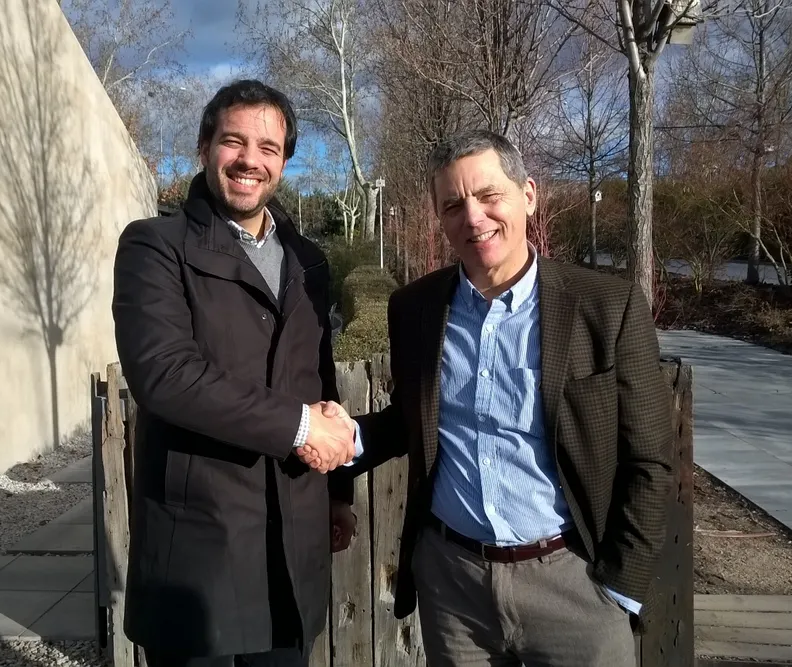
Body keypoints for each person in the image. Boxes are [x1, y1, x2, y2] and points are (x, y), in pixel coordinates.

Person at [312, 130, 674, 666]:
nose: (473, 218)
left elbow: (650, 460)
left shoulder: (606, 306)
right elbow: (410, 422)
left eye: (489, 196)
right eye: (453, 205)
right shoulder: (414, 308)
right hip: (454, 589)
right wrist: (338, 439)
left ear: (528, 195)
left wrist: (621, 587)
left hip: (574, 583)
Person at [111, 79, 358, 667]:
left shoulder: (308, 260)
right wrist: (301, 427)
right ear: (204, 147)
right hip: (202, 555)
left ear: (284, 163)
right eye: (233, 141)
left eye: (268, 147)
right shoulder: (155, 246)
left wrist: (338, 494)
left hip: (293, 547)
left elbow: (318, 379)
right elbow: (166, 375)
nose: (250, 159)